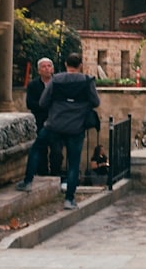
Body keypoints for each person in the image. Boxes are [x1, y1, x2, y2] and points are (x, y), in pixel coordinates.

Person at [16, 52, 100, 210]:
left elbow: (43, 102)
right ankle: (69, 199)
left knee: (36, 149)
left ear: (66, 65)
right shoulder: (87, 81)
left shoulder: (56, 80)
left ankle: (27, 182)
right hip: (76, 126)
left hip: (54, 124)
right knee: (73, 163)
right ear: (80, 65)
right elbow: (95, 101)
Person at [25, 57, 63, 178]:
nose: (47, 69)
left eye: (49, 66)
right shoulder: (33, 85)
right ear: (39, 70)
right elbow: (30, 103)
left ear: (52, 68)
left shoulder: (58, 84)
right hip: (40, 121)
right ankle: (43, 175)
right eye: (44, 66)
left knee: (57, 151)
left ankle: (55, 174)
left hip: (56, 122)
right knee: (41, 151)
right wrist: (46, 105)